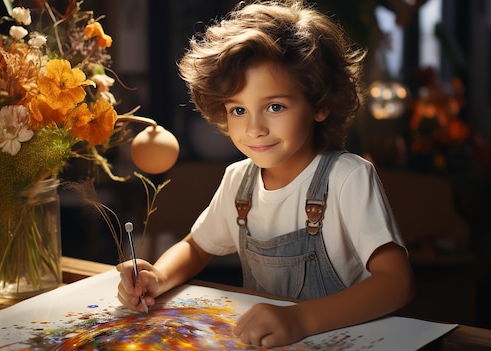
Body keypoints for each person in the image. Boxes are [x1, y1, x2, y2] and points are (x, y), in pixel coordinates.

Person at [117, 0, 415, 348]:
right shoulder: (238, 180)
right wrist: (159, 275)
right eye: (239, 109)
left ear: (320, 104)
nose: (254, 128)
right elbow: (196, 247)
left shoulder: (348, 177)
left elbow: (398, 283)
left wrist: (301, 319)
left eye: (275, 106)